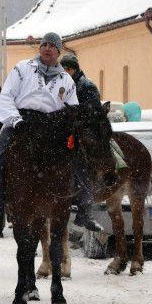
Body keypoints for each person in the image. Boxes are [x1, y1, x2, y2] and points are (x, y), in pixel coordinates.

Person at [0, 32, 78, 231]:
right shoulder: (22, 68)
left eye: (52, 46)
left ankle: (80, 203)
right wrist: (16, 121)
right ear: (40, 48)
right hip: (21, 121)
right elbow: (6, 97)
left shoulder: (67, 80)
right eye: (44, 45)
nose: (47, 48)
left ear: (58, 51)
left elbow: (72, 108)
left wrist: (64, 128)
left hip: (51, 125)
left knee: (77, 157)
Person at [59, 53, 104, 232]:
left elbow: (92, 113)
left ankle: (85, 211)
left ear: (73, 69)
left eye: (67, 69)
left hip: (82, 133)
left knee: (81, 165)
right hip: (60, 132)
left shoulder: (87, 87)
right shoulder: (59, 85)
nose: (64, 72)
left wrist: (74, 122)